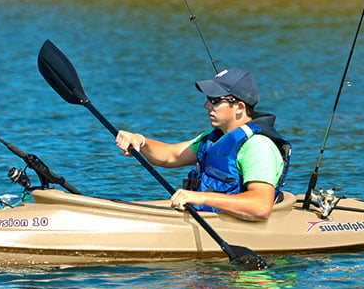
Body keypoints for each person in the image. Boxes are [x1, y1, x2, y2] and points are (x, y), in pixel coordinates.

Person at [115, 67, 291, 221]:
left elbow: (260, 206)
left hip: (240, 226)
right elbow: (170, 156)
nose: (206, 105)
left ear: (239, 107)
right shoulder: (214, 138)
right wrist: (140, 141)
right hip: (211, 216)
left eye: (215, 100)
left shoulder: (258, 147)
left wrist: (200, 198)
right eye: (208, 98)